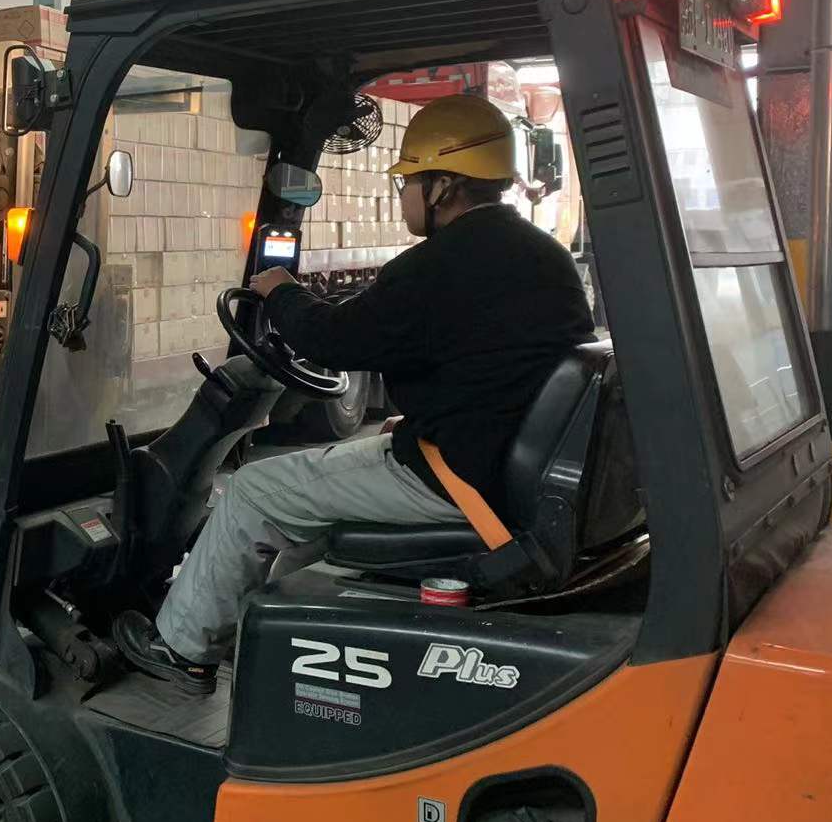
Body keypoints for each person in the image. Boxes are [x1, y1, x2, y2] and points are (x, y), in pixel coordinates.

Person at [114, 94, 596, 693]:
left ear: (443, 186)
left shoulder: (440, 264)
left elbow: (336, 339)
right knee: (306, 506)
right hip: (484, 460)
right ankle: (266, 640)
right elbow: (488, 362)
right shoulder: (544, 256)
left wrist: (280, 291)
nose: (404, 195)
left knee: (253, 490)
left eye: (409, 182)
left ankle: (182, 648)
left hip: (459, 479)